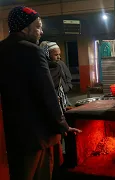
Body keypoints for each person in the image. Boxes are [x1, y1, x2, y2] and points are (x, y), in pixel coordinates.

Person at [0, 6, 81, 180]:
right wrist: (63, 125)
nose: (41, 31)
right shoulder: (32, 51)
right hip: (37, 136)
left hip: (12, 134)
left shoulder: (2, 49)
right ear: (24, 28)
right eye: (38, 26)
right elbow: (47, 94)